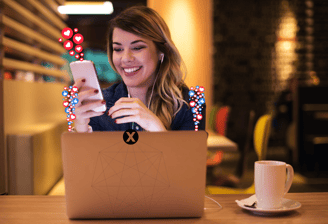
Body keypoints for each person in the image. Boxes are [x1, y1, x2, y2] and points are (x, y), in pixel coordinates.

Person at [73, 5, 206, 132]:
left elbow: (190, 156)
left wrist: (156, 127)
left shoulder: (191, 105)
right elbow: (86, 155)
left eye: (137, 48)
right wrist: (81, 127)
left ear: (161, 51)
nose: (125, 58)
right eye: (118, 49)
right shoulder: (100, 104)